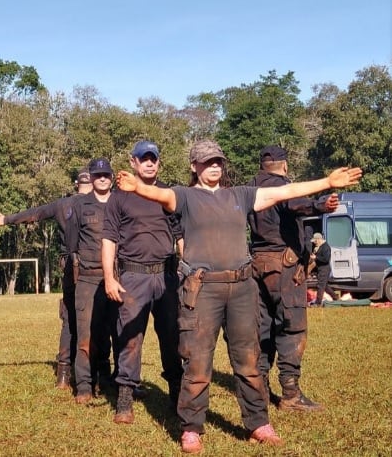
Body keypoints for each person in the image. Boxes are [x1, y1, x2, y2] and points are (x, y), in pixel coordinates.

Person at [115, 140, 361, 453]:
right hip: (202, 290)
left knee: (248, 359)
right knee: (197, 361)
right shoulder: (185, 196)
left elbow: (284, 192)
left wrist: (327, 182)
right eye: (206, 162)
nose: (214, 167)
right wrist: (136, 186)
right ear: (194, 166)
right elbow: (159, 194)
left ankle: (258, 422)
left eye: (218, 161)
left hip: (242, 288)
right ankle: (191, 427)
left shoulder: (240, 195)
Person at [248, 145, 335, 412]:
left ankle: (259, 390)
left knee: (261, 328)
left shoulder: (251, 187)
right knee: (291, 326)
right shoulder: (281, 187)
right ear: (284, 166)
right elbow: (294, 202)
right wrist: (321, 204)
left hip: (256, 263)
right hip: (284, 267)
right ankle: (290, 393)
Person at [102, 140, 183, 424]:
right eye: (143, 158)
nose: (149, 163)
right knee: (130, 338)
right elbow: (109, 238)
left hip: (167, 276)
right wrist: (110, 277)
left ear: (159, 162)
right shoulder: (118, 197)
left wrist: (187, 269)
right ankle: (125, 397)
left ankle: (177, 393)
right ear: (133, 162)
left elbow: (180, 234)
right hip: (133, 276)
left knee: (172, 337)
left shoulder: (167, 194)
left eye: (153, 158)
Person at [0, 169, 93, 389]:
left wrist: (5, 219)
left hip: (69, 264)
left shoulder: (61, 205)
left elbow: (34, 213)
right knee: (98, 319)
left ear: (76, 184)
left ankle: (63, 375)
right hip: (93, 265)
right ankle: (98, 375)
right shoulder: (101, 203)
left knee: (70, 318)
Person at [68, 157, 119, 404]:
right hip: (88, 279)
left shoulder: (121, 202)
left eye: (106, 175)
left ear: (111, 177)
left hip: (118, 278)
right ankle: (85, 385)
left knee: (118, 334)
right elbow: (71, 242)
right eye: (97, 175)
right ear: (91, 177)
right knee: (86, 335)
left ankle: (113, 381)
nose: (102, 179)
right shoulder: (79, 205)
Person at [311, 233, 336, 306]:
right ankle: (335, 297)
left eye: (315, 241)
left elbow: (326, 259)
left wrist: (316, 258)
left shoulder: (326, 247)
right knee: (324, 286)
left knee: (320, 286)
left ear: (319, 239)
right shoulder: (319, 246)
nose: (314, 243)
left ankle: (318, 303)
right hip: (320, 268)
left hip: (324, 269)